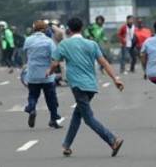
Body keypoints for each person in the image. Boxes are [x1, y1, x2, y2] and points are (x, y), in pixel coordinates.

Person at [47, 17, 124, 157]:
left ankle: (113, 140)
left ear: (68, 29)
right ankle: (66, 145)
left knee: (88, 118)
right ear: (82, 28)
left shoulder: (64, 44)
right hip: (91, 85)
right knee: (77, 114)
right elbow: (104, 63)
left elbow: (54, 63)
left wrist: (49, 72)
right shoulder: (92, 44)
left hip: (77, 85)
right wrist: (116, 79)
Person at [23, 20, 62, 129]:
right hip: (47, 74)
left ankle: (31, 108)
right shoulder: (49, 41)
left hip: (32, 74)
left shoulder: (28, 40)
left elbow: (26, 53)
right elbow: (55, 56)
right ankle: (53, 119)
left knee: (33, 95)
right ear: (45, 29)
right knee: (51, 98)